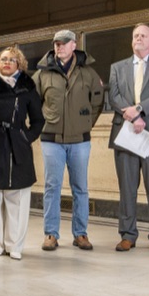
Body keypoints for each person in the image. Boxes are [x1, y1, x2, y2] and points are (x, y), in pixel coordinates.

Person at [33, 29, 106, 251]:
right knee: (51, 187)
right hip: (51, 140)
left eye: (64, 43)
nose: (60, 46)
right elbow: (33, 104)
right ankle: (50, 234)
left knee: (80, 188)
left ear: (74, 45)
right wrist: (42, 124)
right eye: (56, 43)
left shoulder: (89, 73)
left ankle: (80, 233)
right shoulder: (42, 74)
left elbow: (97, 102)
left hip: (80, 141)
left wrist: (84, 124)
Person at [107, 24, 149, 252]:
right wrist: (133, 116)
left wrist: (138, 110)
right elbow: (114, 95)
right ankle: (127, 235)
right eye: (135, 35)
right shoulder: (117, 67)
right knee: (127, 189)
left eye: (144, 35)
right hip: (126, 133)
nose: (138, 38)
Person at [0, 46, 44, 260]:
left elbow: (38, 120)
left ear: (19, 64)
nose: (7, 62)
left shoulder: (27, 88)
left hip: (18, 145)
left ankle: (15, 245)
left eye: (12, 59)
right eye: (3, 59)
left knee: (17, 198)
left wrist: (25, 137)